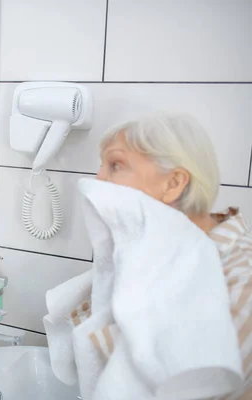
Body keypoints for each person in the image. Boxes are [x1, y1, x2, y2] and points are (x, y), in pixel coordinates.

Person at [90, 113, 251, 399]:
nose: (98, 180)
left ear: (174, 183)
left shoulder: (241, 282)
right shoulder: (153, 253)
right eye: (102, 166)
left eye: (115, 165)